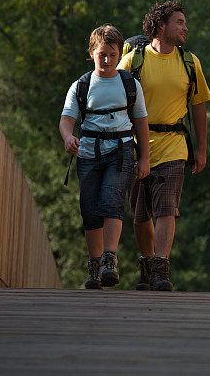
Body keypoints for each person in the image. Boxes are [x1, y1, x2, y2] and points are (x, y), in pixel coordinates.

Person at [119, 0, 210, 291]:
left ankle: (160, 267)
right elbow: (114, 97)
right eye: (179, 22)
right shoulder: (134, 60)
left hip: (174, 144)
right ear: (161, 25)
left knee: (167, 208)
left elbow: (198, 106)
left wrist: (201, 148)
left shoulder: (189, 62)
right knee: (139, 214)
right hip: (136, 146)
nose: (185, 27)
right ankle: (147, 264)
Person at [59, 25, 150, 289]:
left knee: (112, 201)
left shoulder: (129, 84)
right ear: (91, 54)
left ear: (120, 53)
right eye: (102, 55)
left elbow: (141, 123)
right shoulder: (81, 85)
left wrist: (144, 159)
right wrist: (68, 137)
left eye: (112, 54)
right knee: (89, 210)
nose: (108, 60)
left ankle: (110, 259)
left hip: (121, 152)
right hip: (87, 155)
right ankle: (94, 265)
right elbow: (66, 120)